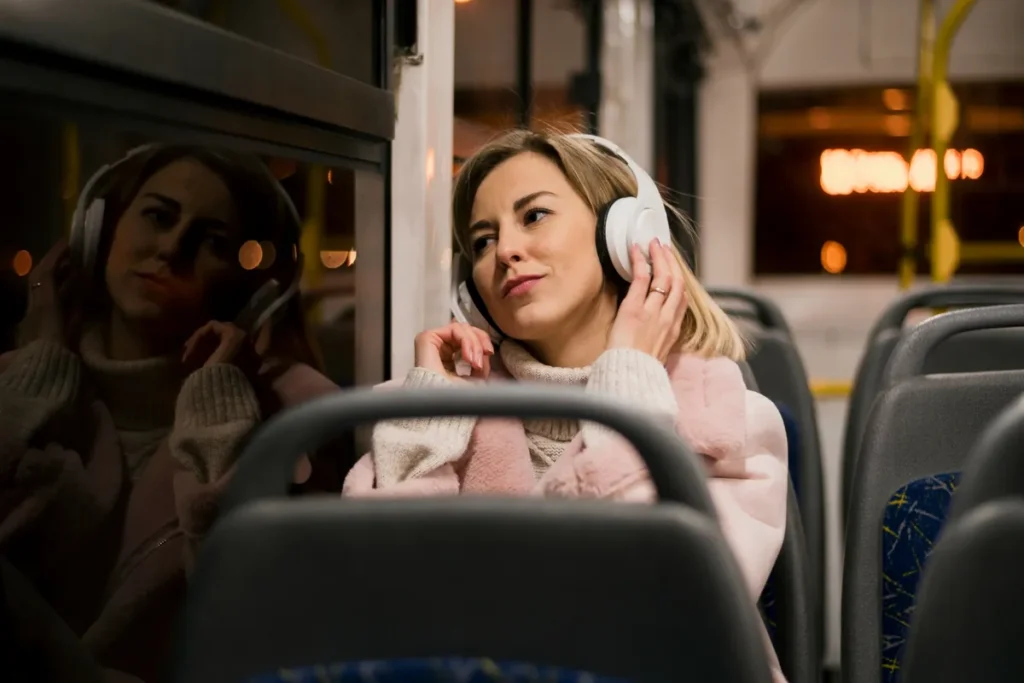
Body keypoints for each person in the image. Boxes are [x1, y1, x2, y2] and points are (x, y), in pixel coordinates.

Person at [343, 130, 790, 681]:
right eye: (482, 242)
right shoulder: (444, 412)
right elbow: (376, 602)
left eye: (533, 216)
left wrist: (629, 385)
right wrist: (428, 417)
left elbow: (646, 614)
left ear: (627, 234)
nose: (504, 250)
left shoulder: (730, 423)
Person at [0, 144, 344, 682]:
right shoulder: (14, 388)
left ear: (251, 287)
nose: (171, 248)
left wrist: (218, 411)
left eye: (212, 241)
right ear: (99, 232)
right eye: (158, 216)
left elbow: (258, 620)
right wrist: (33, 379)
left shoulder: (297, 411)